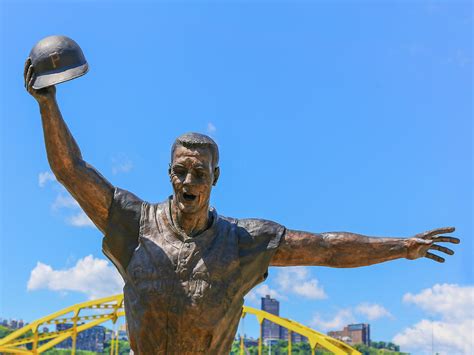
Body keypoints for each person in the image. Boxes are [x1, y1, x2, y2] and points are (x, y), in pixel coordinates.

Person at [24, 58, 459, 354]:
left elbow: (326, 248)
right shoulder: (135, 224)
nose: (188, 182)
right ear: (169, 173)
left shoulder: (242, 242)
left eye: (199, 173)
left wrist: (401, 247)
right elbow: (72, 171)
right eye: (180, 171)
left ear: (215, 178)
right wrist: (48, 105)